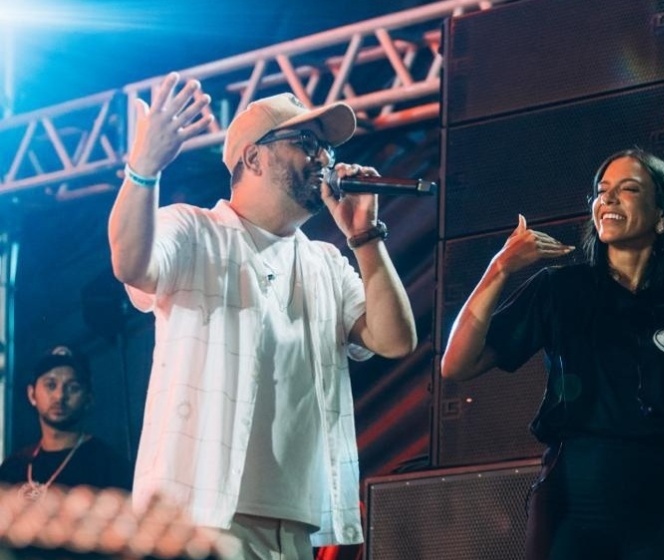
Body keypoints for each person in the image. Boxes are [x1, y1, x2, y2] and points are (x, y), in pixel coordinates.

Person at [107, 72, 416, 560]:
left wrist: (365, 236)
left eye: (326, 148)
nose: (323, 158)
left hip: (292, 525)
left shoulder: (325, 262)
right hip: (197, 519)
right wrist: (144, 169)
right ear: (253, 157)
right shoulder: (193, 231)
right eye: (306, 143)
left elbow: (394, 339)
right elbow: (129, 263)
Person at [440, 149, 664, 560]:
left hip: (659, 508)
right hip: (571, 503)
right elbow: (457, 364)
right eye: (601, 190)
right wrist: (500, 267)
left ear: (663, 217)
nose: (607, 198)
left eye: (628, 189)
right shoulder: (560, 288)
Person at [0, 345, 133, 497]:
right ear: (32, 395)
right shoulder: (13, 468)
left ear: (89, 399)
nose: (59, 396)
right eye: (51, 385)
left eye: (73, 388)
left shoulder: (110, 468)